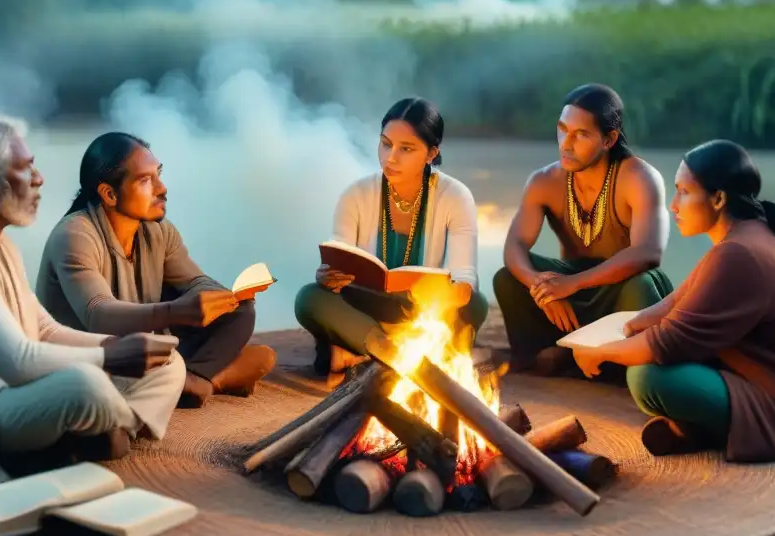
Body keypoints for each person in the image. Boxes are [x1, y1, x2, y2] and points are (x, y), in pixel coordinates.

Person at [0, 120, 187, 487]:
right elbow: (19, 362)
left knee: (169, 362)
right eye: (26, 167)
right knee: (83, 385)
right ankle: (105, 429)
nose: (39, 178)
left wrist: (112, 344)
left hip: (8, 394)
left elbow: (42, 329)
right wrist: (112, 358)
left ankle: (108, 429)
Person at [570, 139, 775, 461]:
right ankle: (697, 429)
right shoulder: (742, 238)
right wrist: (629, 326)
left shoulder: (739, 253)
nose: (673, 205)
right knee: (644, 337)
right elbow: (675, 301)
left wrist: (602, 353)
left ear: (717, 199)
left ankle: (704, 430)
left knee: (648, 376)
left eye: (684, 193)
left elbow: (666, 343)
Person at [37, 132, 275, 408]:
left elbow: (194, 280)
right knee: (252, 359)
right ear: (110, 194)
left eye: (158, 174)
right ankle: (199, 380)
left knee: (245, 320)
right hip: (93, 360)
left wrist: (223, 297)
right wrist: (176, 311)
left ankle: (190, 381)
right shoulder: (75, 234)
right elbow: (98, 315)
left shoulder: (158, 230)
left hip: (145, 350)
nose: (162, 188)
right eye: (146, 180)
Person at [294, 97, 488, 380]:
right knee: (309, 298)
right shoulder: (356, 194)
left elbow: (465, 273)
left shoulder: (455, 196)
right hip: (364, 308)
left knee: (476, 304)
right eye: (385, 144)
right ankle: (391, 352)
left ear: (432, 153)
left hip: (422, 310)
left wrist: (453, 291)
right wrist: (329, 276)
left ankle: (356, 352)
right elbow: (340, 250)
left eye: (406, 149)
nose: (390, 157)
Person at [493, 83, 674, 381]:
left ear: (609, 139)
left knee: (642, 286)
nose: (566, 143)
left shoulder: (639, 178)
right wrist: (542, 288)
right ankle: (565, 353)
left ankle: (601, 361)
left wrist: (573, 284)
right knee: (509, 277)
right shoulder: (544, 181)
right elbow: (515, 244)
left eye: (581, 134)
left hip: (619, 288)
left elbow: (648, 253)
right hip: (572, 292)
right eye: (562, 129)